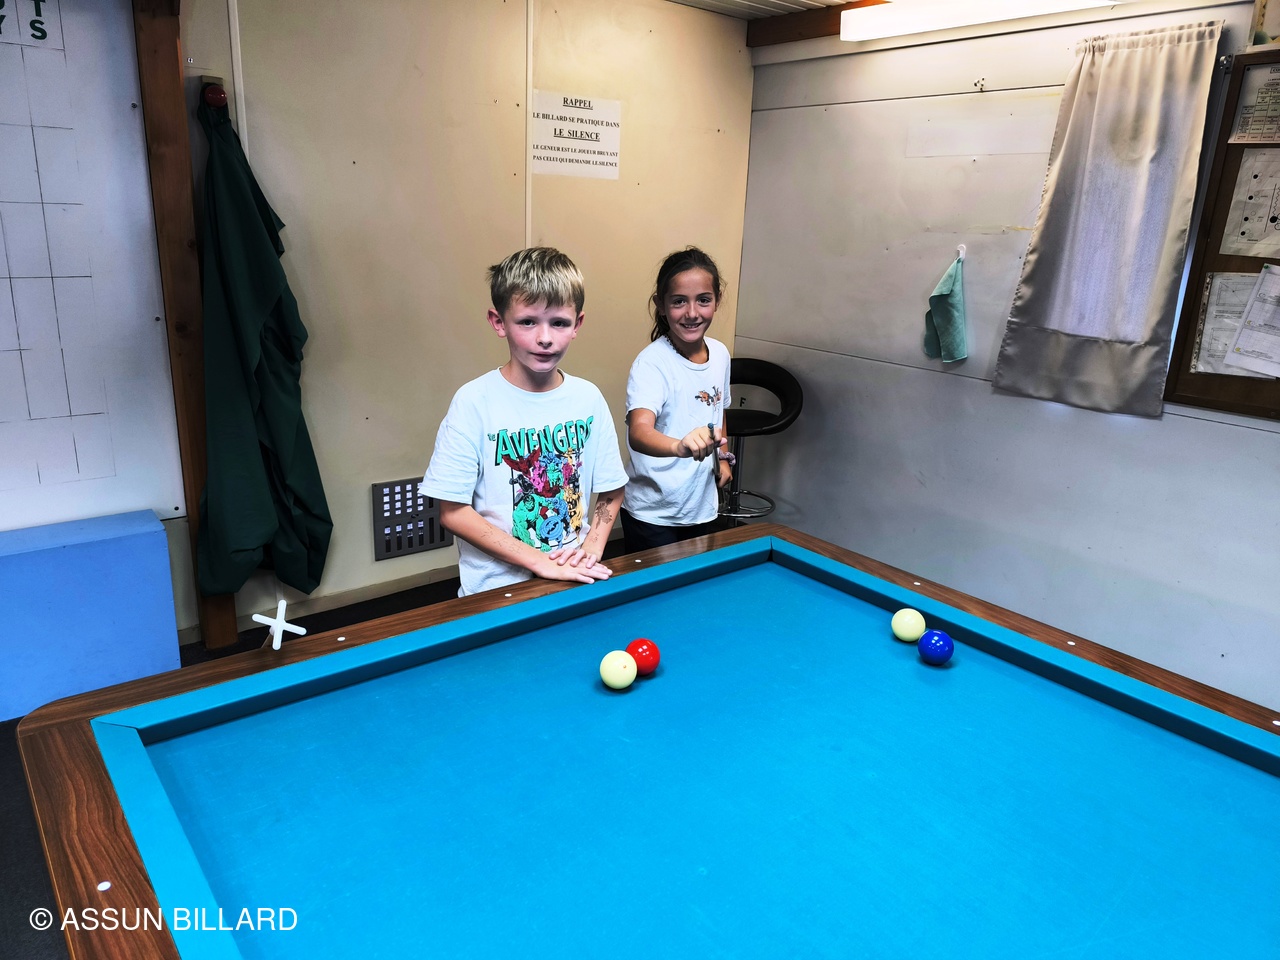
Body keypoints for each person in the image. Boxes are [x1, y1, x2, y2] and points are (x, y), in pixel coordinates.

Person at [421, 247, 628, 596]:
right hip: (496, 592)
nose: (545, 337)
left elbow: (612, 488)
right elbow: (453, 512)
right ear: (498, 322)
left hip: (573, 579)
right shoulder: (473, 402)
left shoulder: (588, 398)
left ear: (577, 324)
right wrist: (538, 561)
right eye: (528, 322)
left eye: (559, 323)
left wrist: (592, 549)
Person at [620, 247, 732, 554]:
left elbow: (719, 410)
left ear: (717, 300)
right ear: (661, 304)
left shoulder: (721, 354)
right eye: (679, 301)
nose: (692, 313)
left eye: (703, 300)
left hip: (699, 505)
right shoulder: (651, 363)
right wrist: (679, 446)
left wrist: (723, 457)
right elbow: (639, 431)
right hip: (653, 512)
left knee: (695, 581)